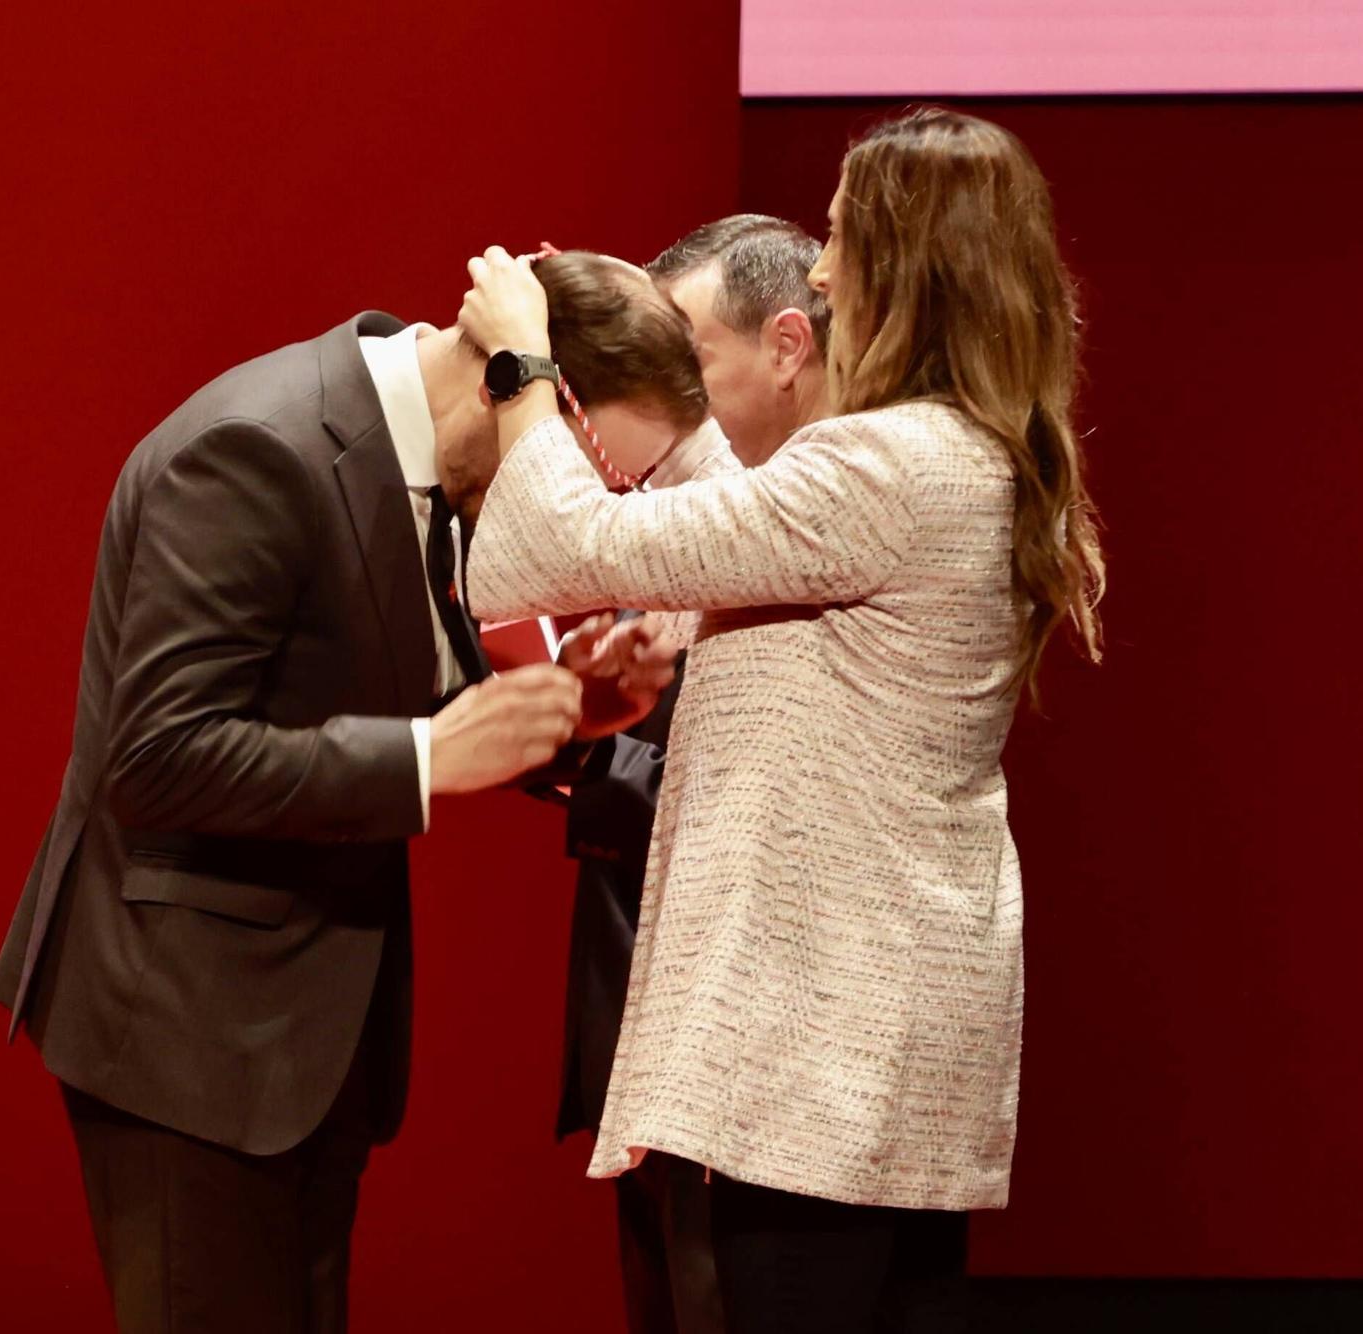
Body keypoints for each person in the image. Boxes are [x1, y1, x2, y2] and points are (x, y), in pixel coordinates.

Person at [461, 108, 1106, 1333]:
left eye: (843, 239)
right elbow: (765, 545)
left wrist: (524, 369)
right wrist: (698, 641)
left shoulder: (885, 464)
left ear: (906, 268)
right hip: (881, 1038)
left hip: (816, 1055)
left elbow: (556, 548)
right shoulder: (955, 454)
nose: (816, 266)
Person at [0, 251, 704, 1334]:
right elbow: (156, 755)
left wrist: (569, 717)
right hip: (187, 1031)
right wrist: (422, 757)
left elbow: (402, 680)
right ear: (516, 392)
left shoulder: (435, 468)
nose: (588, 512)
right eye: (604, 476)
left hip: (303, 1038)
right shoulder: (255, 450)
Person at [556, 216, 829, 1334]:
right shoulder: (685, 515)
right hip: (640, 1001)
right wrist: (583, 719)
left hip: (756, 1037)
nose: (665, 395)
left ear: (786, 344)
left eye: (691, 359)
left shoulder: (827, 507)